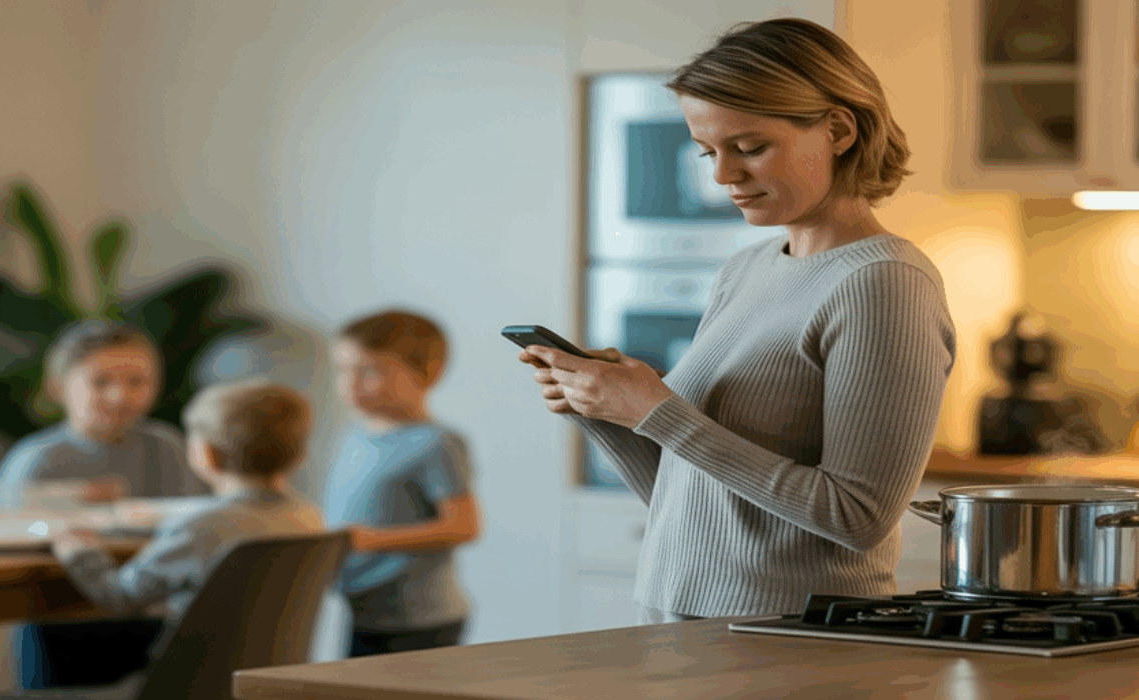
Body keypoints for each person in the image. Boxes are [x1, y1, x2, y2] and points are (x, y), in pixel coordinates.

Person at [518, 18, 957, 624]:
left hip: (792, 639)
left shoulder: (883, 282)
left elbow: (859, 517)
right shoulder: (746, 269)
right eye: (708, 152)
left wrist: (656, 410)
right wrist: (605, 411)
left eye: (750, 148)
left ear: (837, 129)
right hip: (677, 622)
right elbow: (696, 497)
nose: (723, 176)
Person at [0, 320, 207, 689]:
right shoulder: (36, 460)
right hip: (58, 621)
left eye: (137, 382)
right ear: (58, 386)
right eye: (100, 382)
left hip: (151, 616)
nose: (120, 395)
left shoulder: (167, 447)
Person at [51, 378, 322, 638]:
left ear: (206, 453)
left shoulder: (200, 527)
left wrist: (79, 551)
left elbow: (120, 597)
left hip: (194, 677)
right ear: (301, 454)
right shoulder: (309, 518)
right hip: (271, 674)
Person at [325, 309, 480, 657]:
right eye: (343, 370)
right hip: (365, 611)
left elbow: (464, 526)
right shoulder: (354, 437)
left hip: (418, 620)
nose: (350, 383)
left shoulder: (437, 443)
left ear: (428, 373)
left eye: (369, 371)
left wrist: (371, 539)